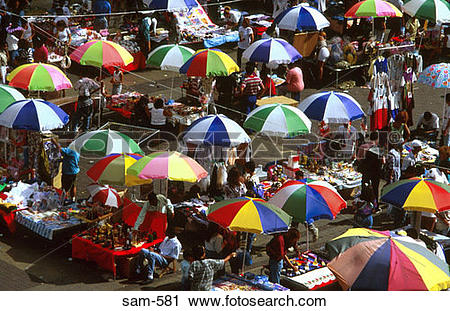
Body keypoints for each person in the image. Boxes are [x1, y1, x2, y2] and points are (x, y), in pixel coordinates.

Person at [52, 138, 80, 202]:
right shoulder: (77, 151)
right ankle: (73, 199)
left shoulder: (70, 151)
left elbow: (60, 149)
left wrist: (54, 141)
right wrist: (61, 160)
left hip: (68, 173)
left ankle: (65, 200)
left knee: (65, 188)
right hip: (75, 171)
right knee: (73, 186)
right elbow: (71, 160)